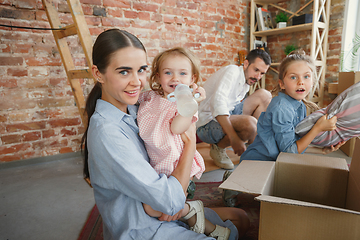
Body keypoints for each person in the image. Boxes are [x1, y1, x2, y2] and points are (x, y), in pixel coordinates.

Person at [81, 28, 250, 240]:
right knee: (231, 233)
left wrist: (188, 94)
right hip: (145, 229)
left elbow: (167, 100)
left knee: (240, 218)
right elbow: (170, 201)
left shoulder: (137, 107)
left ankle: (192, 212)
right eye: (124, 72)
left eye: (141, 70)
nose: (137, 82)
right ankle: (191, 213)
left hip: (167, 205)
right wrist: (189, 143)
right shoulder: (108, 133)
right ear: (98, 74)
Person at [137, 47, 236, 239]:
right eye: (168, 73)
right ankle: (190, 216)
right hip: (154, 163)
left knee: (152, 208)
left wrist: (190, 102)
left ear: (193, 79)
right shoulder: (150, 97)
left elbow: (177, 128)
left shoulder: (186, 105)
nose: (175, 78)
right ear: (157, 77)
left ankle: (191, 209)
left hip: (175, 163)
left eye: (182, 73)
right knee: (163, 212)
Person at [240, 49, 345, 162]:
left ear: (313, 81)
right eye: (293, 77)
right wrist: (317, 128)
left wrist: (322, 151)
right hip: (257, 162)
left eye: (306, 76)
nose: (301, 82)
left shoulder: (300, 106)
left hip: (276, 162)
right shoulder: (282, 108)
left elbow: (294, 143)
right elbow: (289, 151)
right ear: (282, 84)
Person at [196, 49, 272, 169]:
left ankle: (252, 150)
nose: (258, 76)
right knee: (251, 124)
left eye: (262, 73)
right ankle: (218, 148)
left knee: (265, 95)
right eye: (256, 70)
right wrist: (234, 138)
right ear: (246, 64)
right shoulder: (232, 71)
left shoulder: (246, 80)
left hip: (227, 114)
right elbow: (217, 103)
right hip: (206, 124)